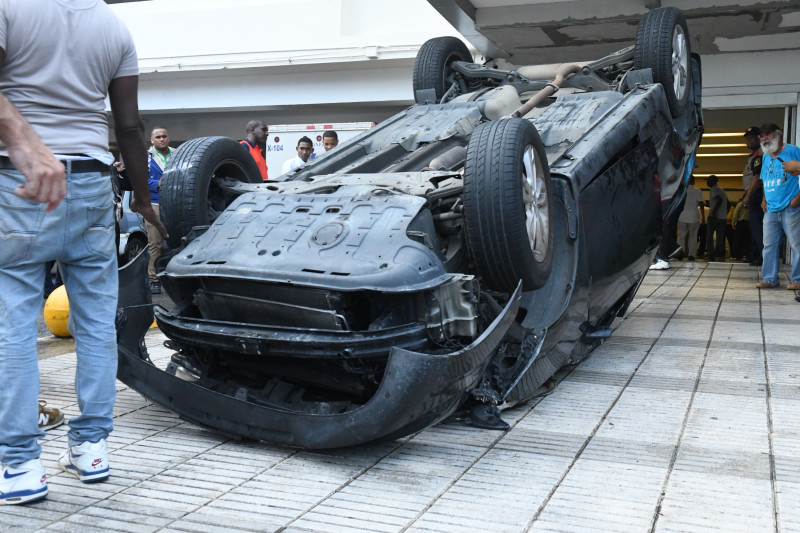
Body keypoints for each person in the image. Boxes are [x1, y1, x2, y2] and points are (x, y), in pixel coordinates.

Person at [0, 0, 167, 505]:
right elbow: (130, 127)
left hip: (19, 182)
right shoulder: (115, 27)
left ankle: (20, 463)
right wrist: (142, 196)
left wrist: (27, 142)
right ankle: (91, 448)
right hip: (95, 184)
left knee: (14, 323)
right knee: (95, 322)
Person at [755, 123, 800, 290]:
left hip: (791, 206)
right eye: (762, 135)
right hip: (771, 209)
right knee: (769, 245)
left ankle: (798, 279)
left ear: (778, 134)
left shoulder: (794, 151)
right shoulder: (766, 156)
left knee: (797, 245)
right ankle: (770, 279)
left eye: (768, 134)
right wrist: (764, 199)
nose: (764, 138)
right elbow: (765, 179)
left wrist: (797, 199)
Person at [145, 127, 173, 293]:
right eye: (158, 137)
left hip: (175, 202)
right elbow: (139, 180)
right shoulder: (145, 158)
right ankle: (154, 279)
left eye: (164, 136)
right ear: (152, 140)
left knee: (178, 242)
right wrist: (156, 184)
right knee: (154, 244)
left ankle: (176, 277)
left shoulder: (177, 154)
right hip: (154, 204)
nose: (162, 139)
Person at [741, 126, 764, 265]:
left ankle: (762, 256)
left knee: (758, 227)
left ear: (758, 138)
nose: (747, 142)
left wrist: (748, 196)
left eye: (750, 139)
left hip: (757, 194)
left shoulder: (759, 154)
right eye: (747, 139)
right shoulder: (755, 154)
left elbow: (758, 177)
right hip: (755, 193)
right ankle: (756, 255)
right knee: (756, 227)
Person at [649, 196, 684, 270]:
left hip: (670, 195)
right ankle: (670, 249)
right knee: (670, 224)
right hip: (677, 196)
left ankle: (664, 258)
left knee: (664, 224)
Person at [676, 176, 704, 261]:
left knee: (681, 236)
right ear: (694, 182)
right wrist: (703, 217)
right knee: (693, 236)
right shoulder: (698, 191)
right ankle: (691, 255)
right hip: (694, 217)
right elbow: (701, 204)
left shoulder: (681, 191)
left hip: (681, 216)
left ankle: (680, 253)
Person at [705, 175, 728, 261]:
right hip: (723, 217)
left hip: (714, 216)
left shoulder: (714, 189)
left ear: (713, 181)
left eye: (708, 180)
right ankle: (719, 255)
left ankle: (711, 255)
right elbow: (727, 202)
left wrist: (714, 212)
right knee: (720, 237)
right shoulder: (722, 189)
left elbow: (719, 199)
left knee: (709, 236)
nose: (707, 182)